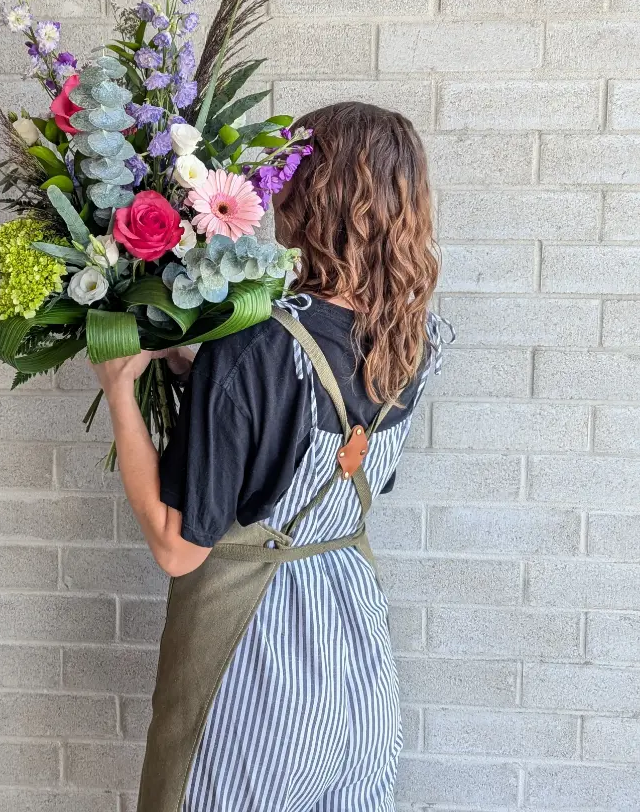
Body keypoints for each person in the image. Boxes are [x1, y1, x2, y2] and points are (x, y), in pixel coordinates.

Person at [93, 101, 450, 812]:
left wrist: (120, 395)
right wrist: (193, 367)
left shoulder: (254, 342)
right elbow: (318, 444)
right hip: (354, 659)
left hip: (259, 666)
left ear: (309, 197)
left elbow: (177, 548)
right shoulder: (417, 338)